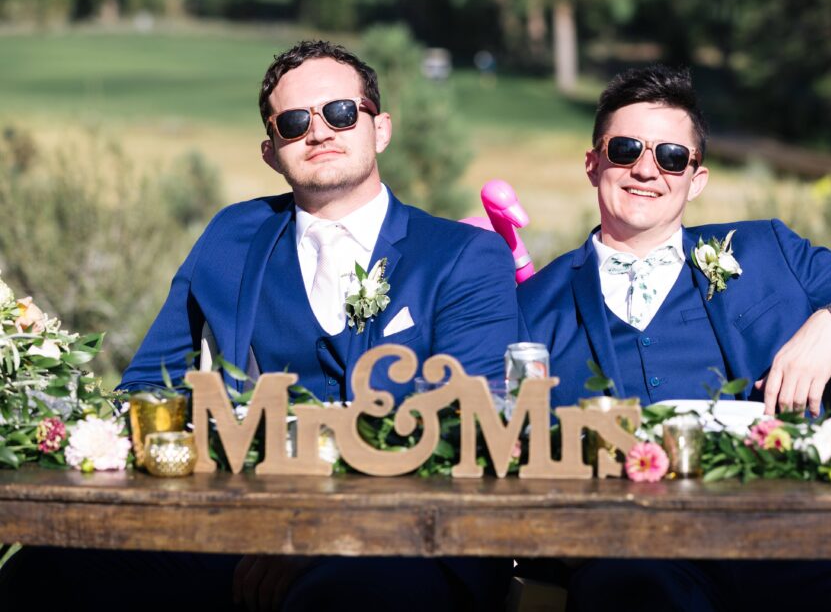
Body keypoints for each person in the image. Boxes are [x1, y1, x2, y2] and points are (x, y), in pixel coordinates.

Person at [1, 41, 517, 611]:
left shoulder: (463, 255)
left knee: (335, 598)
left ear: (381, 129)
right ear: (271, 152)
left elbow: (468, 428)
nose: (319, 132)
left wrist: (325, 533)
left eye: (341, 112)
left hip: (406, 535)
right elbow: (148, 387)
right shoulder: (232, 237)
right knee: (42, 570)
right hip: (239, 526)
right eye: (294, 123)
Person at [516, 65, 831, 610]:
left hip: (795, 538)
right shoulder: (533, 305)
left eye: (671, 157)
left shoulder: (765, 252)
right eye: (625, 150)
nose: (646, 169)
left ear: (695, 178)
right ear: (593, 164)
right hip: (639, 550)